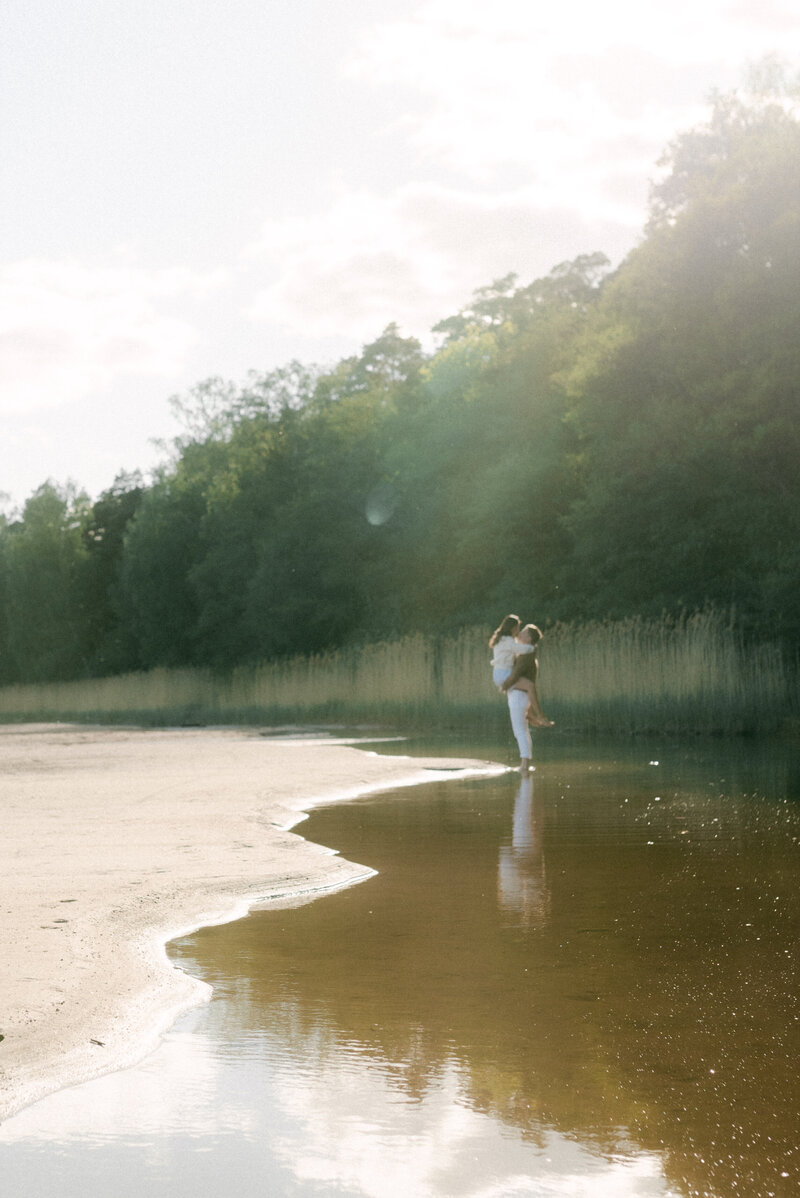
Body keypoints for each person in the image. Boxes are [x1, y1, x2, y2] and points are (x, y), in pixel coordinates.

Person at [500, 624, 554, 728]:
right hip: (512, 683)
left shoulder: (527, 652)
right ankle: (536, 715)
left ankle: (537, 715)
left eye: (523, 632)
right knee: (529, 685)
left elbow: (517, 673)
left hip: (513, 684)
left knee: (529, 685)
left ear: (528, 638)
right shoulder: (527, 650)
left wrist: (505, 686)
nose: (519, 633)